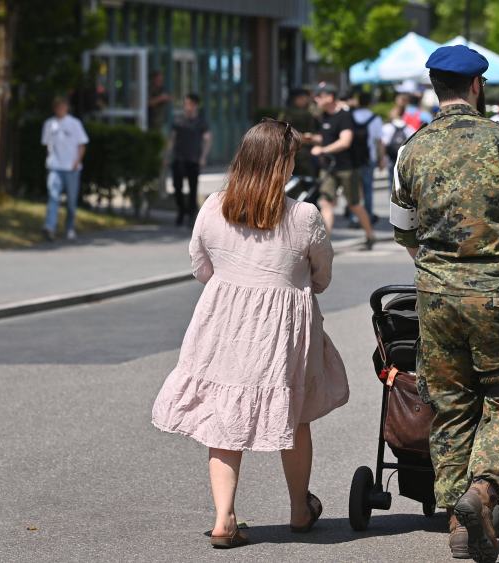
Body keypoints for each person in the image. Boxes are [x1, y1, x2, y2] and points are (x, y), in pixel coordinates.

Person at [392, 44, 499, 562]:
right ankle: (483, 492)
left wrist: (436, 261)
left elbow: (402, 230)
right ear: (477, 86)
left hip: (437, 300)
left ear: (434, 88)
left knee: (450, 405)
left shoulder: (413, 148)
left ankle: (457, 525)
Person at [151, 119, 349, 549]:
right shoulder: (303, 216)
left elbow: (200, 267)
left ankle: (223, 518)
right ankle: (300, 508)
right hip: (283, 333)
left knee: (222, 419)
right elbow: (323, 277)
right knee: (294, 414)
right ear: (282, 164)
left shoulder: (213, 207)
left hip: (223, 325)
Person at [311, 84, 376, 249]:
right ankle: (324, 244)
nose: (316, 99)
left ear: (329, 97)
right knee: (326, 202)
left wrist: (323, 149)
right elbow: (326, 137)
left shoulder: (345, 116)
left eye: (319, 96)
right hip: (328, 168)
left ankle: (370, 234)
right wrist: (311, 139)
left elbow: (345, 141)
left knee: (354, 204)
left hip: (347, 167)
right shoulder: (324, 116)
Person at [41, 96, 89, 242]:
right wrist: (50, 160)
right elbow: (47, 145)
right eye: (57, 107)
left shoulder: (74, 123)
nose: (60, 110)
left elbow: (82, 145)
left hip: (71, 168)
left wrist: (77, 162)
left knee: (71, 202)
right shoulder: (49, 124)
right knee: (53, 197)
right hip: (55, 166)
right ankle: (50, 227)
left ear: (67, 108)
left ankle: (69, 228)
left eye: (62, 107)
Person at [169, 93, 212, 227]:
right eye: (185, 103)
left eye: (189, 104)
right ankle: (181, 210)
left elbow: (208, 139)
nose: (187, 107)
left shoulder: (201, 122)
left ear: (195, 105)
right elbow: (172, 139)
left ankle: (191, 215)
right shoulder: (178, 120)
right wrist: (167, 156)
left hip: (193, 160)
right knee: (177, 187)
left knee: (193, 189)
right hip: (178, 158)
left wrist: (203, 157)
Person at [349, 91, 385, 224]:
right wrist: (381, 159)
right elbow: (379, 141)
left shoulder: (351, 116)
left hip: (352, 158)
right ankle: (368, 216)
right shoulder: (375, 118)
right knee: (368, 188)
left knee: (354, 189)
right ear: (370, 103)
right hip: (369, 157)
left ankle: (354, 217)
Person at [278, 88, 322, 179]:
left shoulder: (308, 112)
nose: (305, 100)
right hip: (296, 149)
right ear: (296, 99)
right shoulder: (290, 113)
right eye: (302, 98)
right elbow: (281, 130)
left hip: (304, 148)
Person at [382, 106, 416, 192]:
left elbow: (383, 144)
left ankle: (393, 198)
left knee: (392, 180)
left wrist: (382, 158)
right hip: (404, 159)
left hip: (392, 158)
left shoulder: (387, 127)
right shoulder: (409, 128)